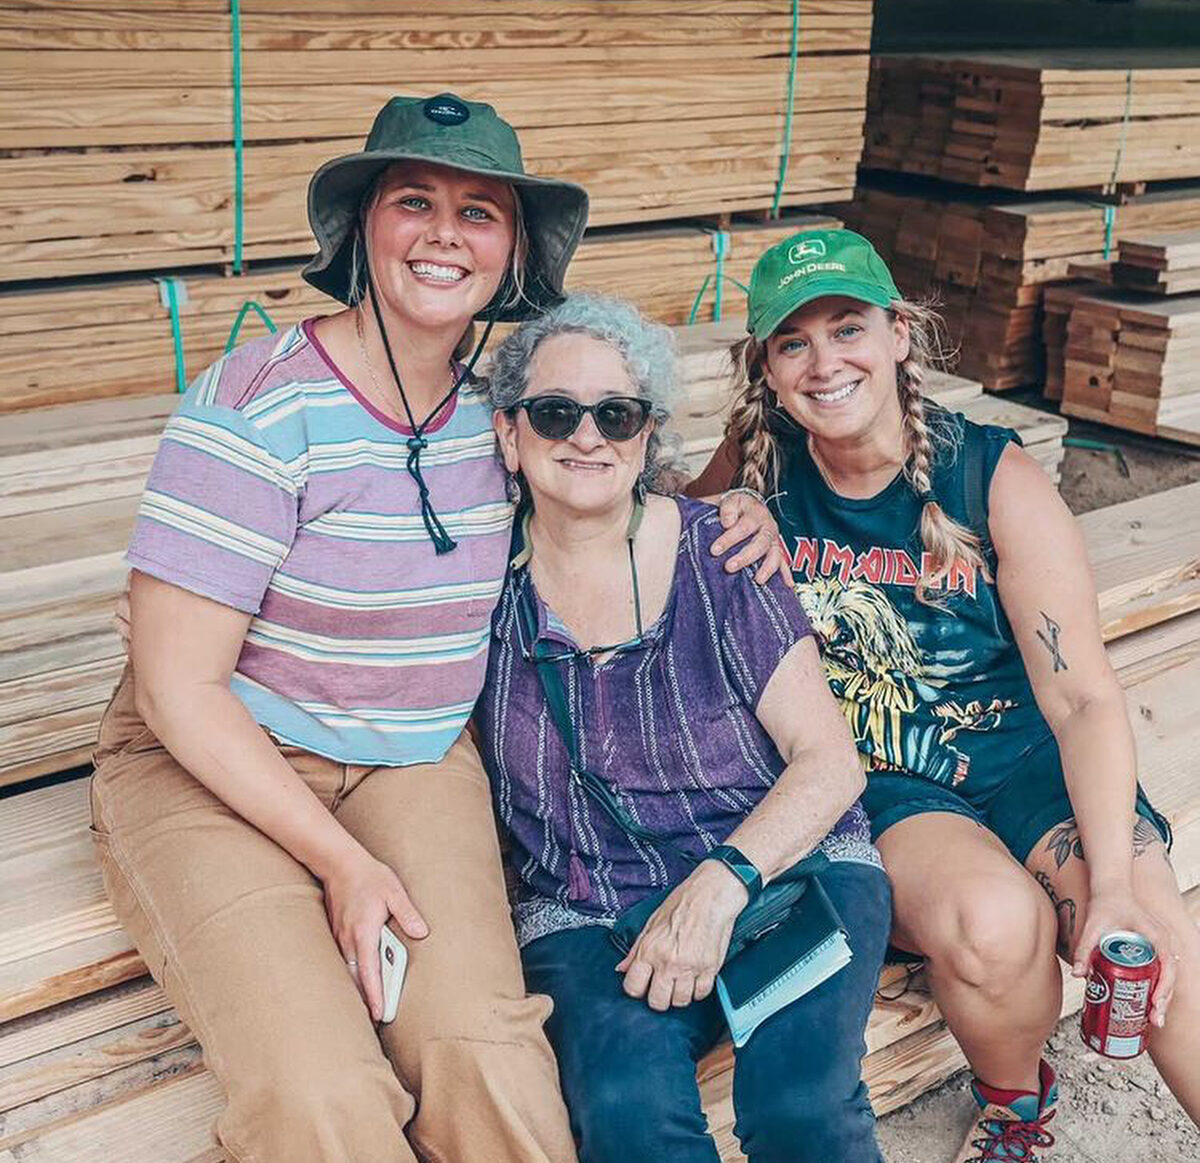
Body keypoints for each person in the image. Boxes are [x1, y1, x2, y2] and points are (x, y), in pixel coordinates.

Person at [96, 95, 785, 1162]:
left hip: (413, 759)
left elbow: (614, 493)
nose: (444, 234)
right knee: (322, 1096)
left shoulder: (512, 414)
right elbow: (177, 686)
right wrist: (339, 862)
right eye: (414, 201)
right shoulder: (254, 406)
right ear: (362, 228)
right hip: (214, 761)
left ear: (512, 252)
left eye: (480, 212)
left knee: (488, 1060)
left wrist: (730, 508)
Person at [689, 227, 1200, 1162]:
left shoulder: (990, 472)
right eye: (792, 342)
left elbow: (1084, 698)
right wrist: (725, 514)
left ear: (898, 336)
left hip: (1027, 758)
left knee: (1156, 939)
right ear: (764, 367)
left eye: (847, 328)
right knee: (997, 923)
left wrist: (1117, 888)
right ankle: (1015, 1103)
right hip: (889, 778)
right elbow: (668, 549)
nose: (824, 361)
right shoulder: (756, 462)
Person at [477, 293, 892, 1163]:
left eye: (616, 415)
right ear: (510, 434)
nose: (586, 436)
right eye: (555, 412)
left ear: (646, 436)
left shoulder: (724, 553)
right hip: (592, 901)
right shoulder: (466, 587)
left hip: (781, 863)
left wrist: (721, 881)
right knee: (627, 1115)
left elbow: (829, 764)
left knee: (800, 1107)